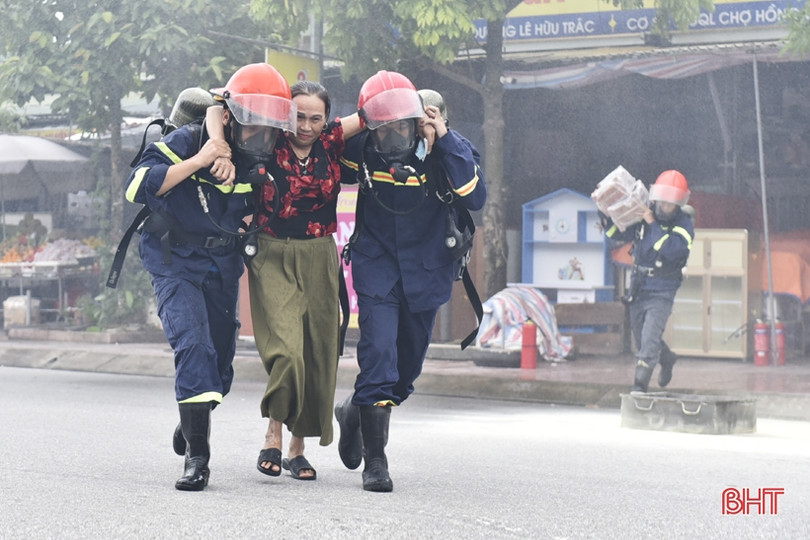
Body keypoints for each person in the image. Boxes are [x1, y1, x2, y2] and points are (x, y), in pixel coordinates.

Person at [125, 62, 296, 491]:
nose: (261, 138)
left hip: (223, 263)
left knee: (220, 368)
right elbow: (136, 187)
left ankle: (191, 421)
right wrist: (201, 158)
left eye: (269, 129)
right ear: (232, 117)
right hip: (174, 260)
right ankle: (198, 460)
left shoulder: (266, 151)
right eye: (252, 127)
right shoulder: (187, 142)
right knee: (194, 346)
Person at [334, 72, 487, 492]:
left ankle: (353, 411)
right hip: (377, 265)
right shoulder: (365, 146)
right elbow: (325, 146)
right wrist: (361, 120)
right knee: (379, 353)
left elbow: (475, 197)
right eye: (386, 124)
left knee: (405, 373)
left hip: (427, 270)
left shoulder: (448, 151)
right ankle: (376, 462)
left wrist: (444, 137)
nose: (394, 132)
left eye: (404, 123)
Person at [206, 81, 363, 481]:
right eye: (299, 117)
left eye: (316, 118)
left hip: (319, 253)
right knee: (286, 350)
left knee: (318, 352)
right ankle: (272, 433)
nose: (306, 126)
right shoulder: (267, 137)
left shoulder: (331, 141)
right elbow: (216, 107)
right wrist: (218, 145)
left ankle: (298, 447)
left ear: (326, 119)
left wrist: (430, 121)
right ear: (284, 115)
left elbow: (376, 113)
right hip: (271, 252)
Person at [601, 170, 695, 393]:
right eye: (661, 200)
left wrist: (652, 224)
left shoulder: (684, 224)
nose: (663, 206)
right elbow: (621, 233)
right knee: (641, 338)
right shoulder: (647, 214)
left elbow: (670, 249)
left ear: (679, 203)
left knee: (650, 339)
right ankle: (667, 358)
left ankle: (639, 386)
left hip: (662, 290)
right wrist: (607, 217)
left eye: (669, 203)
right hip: (639, 286)